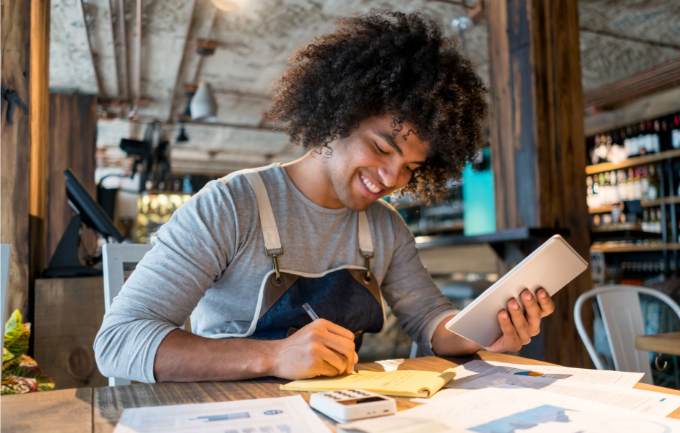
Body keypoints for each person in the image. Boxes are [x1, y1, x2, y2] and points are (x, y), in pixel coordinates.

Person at [94, 11, 555, 383]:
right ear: (336, 118)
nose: (393, 177)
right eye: (381, 148)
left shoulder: (385, 228)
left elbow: (430, 322)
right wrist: (273, 357)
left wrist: (485, 331)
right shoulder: (231, 205)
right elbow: (118, 342)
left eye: (411, 167)